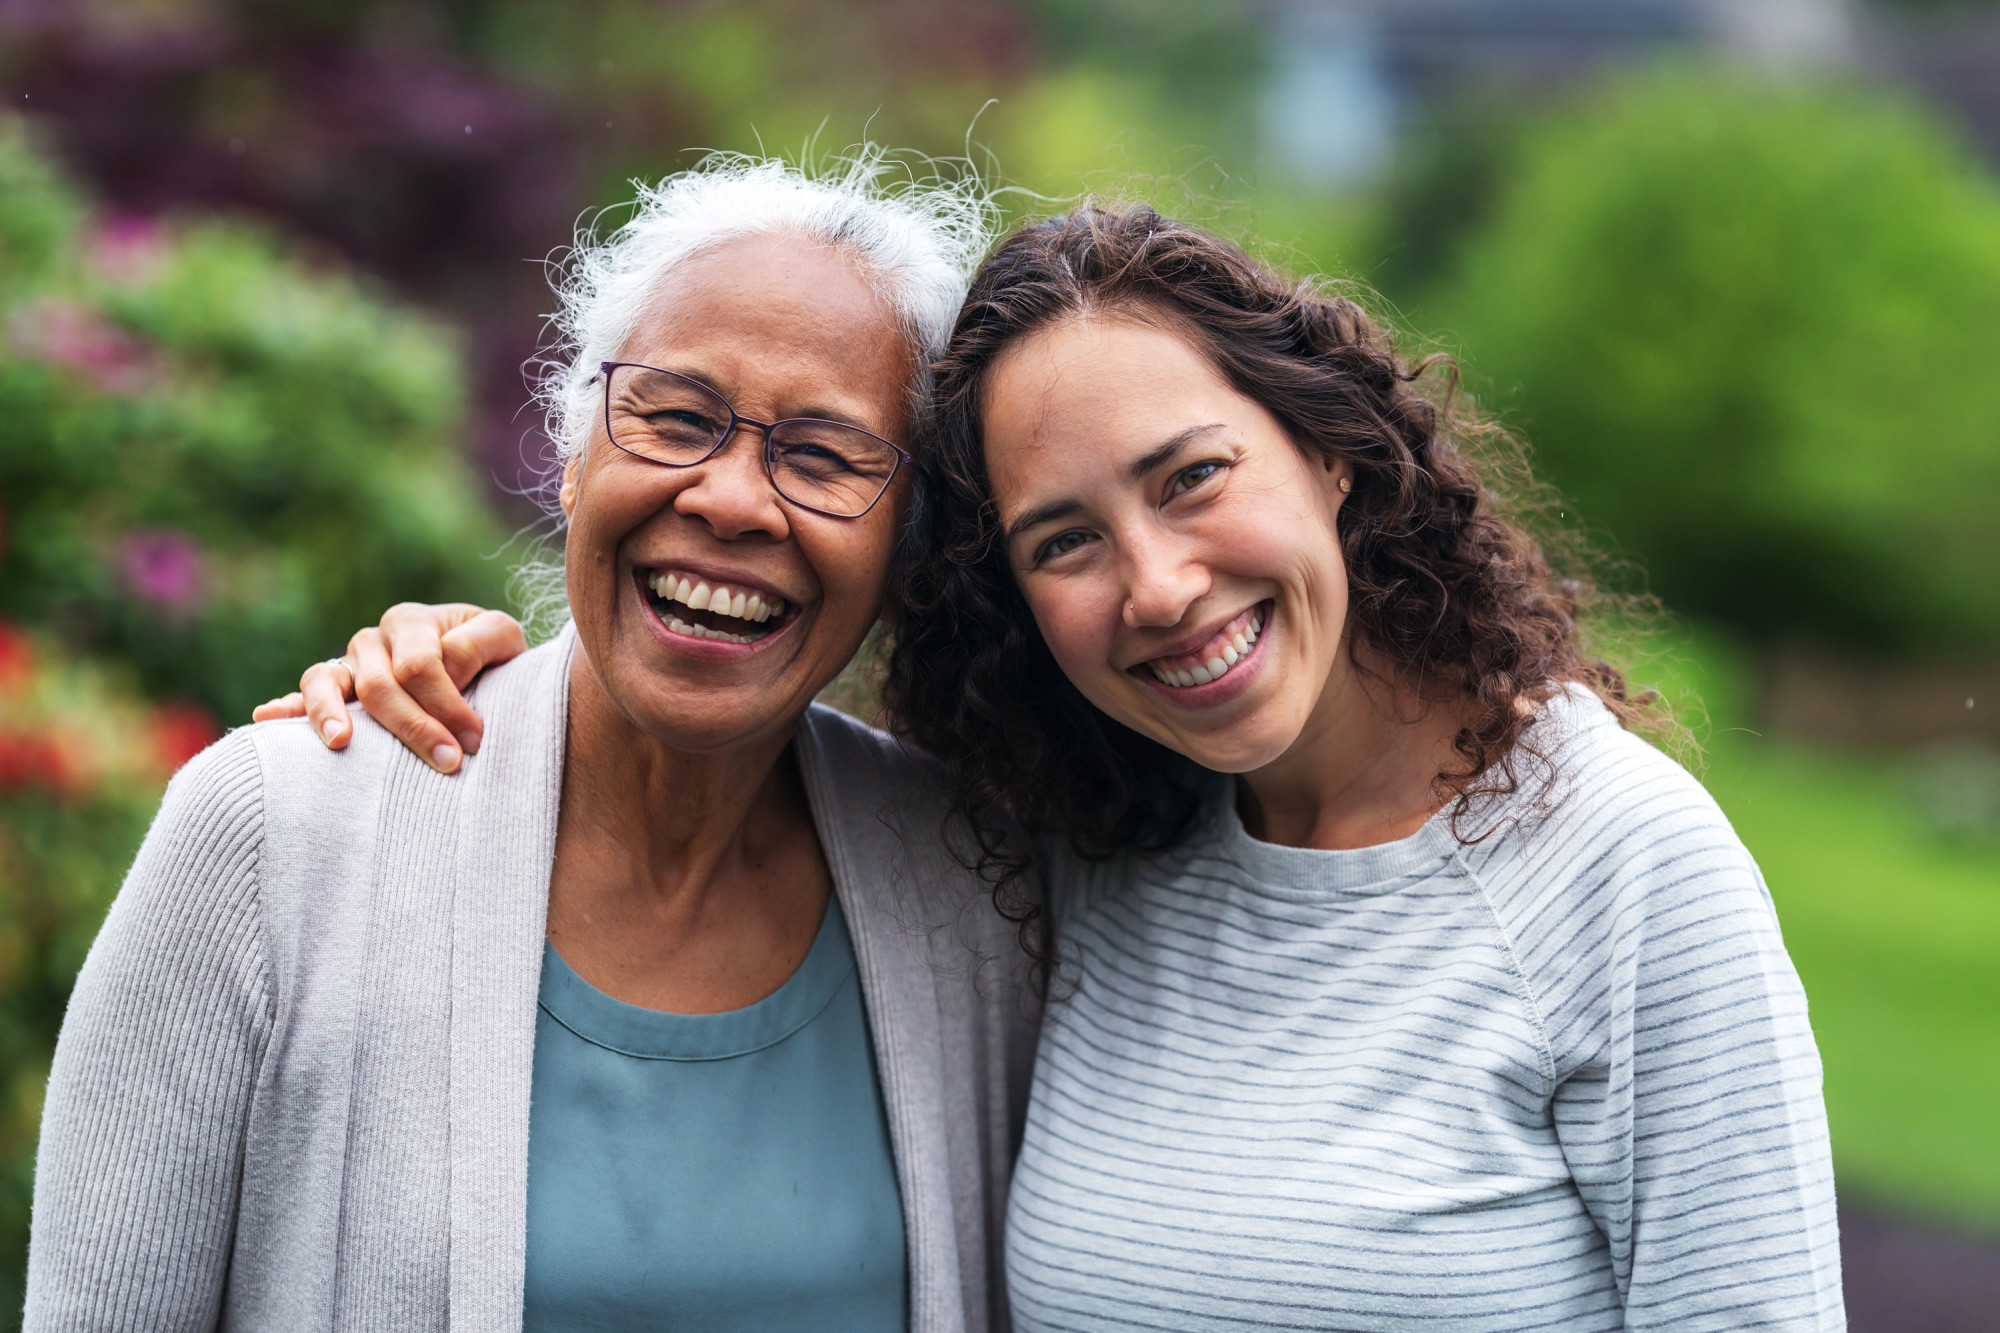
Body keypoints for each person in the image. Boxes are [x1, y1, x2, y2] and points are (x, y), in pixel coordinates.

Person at [269, 204, 1845, 1330]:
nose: (1157, 587)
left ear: (1337, 448)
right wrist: (457, 659)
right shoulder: (1084, 849)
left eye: (1195, 478)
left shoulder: (1621, 867)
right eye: (1064, 541)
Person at [26, 155, 1037, 1333]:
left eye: (821, 456)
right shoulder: (269, 836)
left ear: (904, 552)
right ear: (573, 456)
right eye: (673, 415)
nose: (729, 499)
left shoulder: (979, 892)